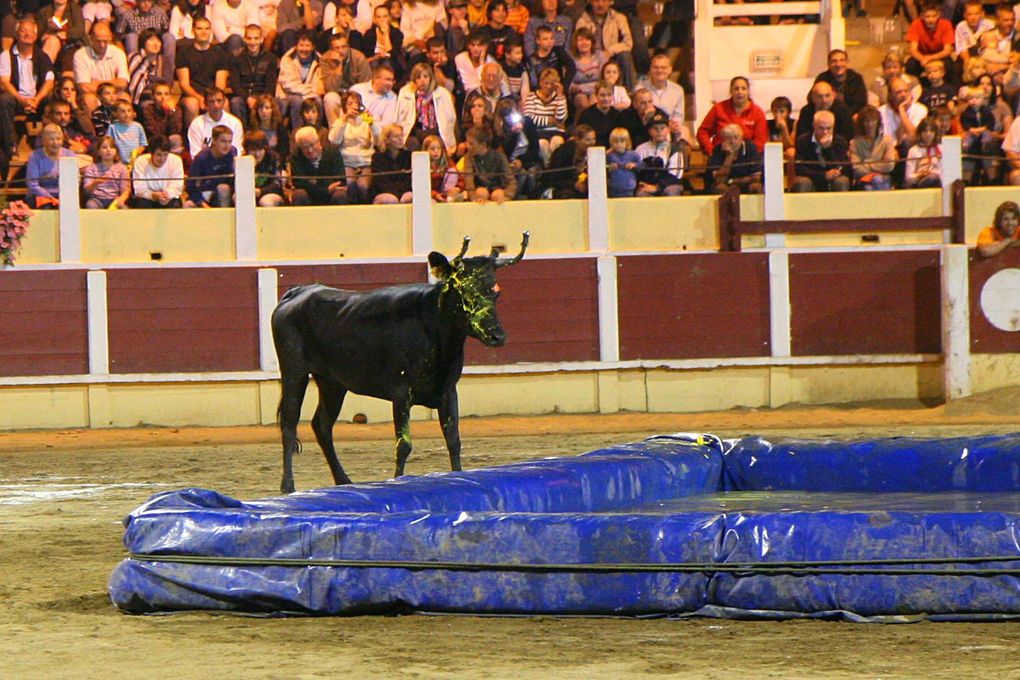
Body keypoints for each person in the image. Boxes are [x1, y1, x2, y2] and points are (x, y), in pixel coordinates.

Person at [0, 18, 54, 159]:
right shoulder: (6, 56)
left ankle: (51, 145)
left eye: (31, 32)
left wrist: (37, 99)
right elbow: (5, 82)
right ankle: (11, 147)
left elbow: (49, 80)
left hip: (36, 100)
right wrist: (22, 99)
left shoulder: (42, 56)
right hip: (17, 99)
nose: (27, 34)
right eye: (23, 31)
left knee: (50, 98)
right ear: (16, 34)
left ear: (36, 36)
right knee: (4, 99)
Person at [175, 16, 229, 125]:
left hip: (212, 94)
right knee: (192, 104)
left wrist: (211, 99)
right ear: (193, 30)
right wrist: (199, 98)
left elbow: (221, 84)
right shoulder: (183, 53)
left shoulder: (220, 53)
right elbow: (184, 84)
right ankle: (193, 140)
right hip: (191, 95)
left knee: (224, 103)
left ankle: (222, 138)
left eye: (206, 28)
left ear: (210, 30)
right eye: (199, 28)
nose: (203, 32)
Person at [695, 76, 767, 156]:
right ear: (731, 91)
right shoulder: (718, 108)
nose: (740, 92)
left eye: (743, 88)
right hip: (720, 156)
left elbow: (760, 141)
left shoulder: (757, 113)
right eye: (736, 89)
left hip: (746, 159)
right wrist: (711, 151)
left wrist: (748, 156)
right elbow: (702, 132)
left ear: (748, 91)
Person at [396, 61, 458, 154]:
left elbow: (450, 118)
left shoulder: (442, 93)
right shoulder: (406, 93)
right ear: (414, 80)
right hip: (416, 131)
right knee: (412, 144)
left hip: (436, 131)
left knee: (435, 143)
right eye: (419, 77)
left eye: (425, 76)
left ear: (430, 78)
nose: (422, 80)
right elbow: (401, 117)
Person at [574, 0, 634, 89]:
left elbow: (628, 42)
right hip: (592, 58)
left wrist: (610, 51)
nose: (600, 4)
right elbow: (579, 44)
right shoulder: (583, 21)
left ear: (610, 2)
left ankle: (629, 92)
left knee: (625, 56)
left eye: (604, 1)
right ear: (590, 2)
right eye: (596, 1)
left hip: (612, 56)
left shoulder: (619, 18)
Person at [228, 23, 279, 123]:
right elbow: (235, 84)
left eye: (256, 38)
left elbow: (271, 84)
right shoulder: (236, 58)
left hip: (263, 95)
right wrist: (248, 98)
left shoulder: (270, 58)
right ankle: (242, 133)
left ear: (261, 39)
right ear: (244, 39)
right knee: (235, 102)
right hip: (244, 96)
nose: (252, 42)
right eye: (249, 38)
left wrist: (260, 100)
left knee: (279, 104)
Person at [73, 21, 129, 111]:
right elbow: (84, 87)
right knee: (89, 99)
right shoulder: (81, 54)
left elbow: (122, 83)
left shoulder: (119, 53)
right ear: (91, 38)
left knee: (124, 97)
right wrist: (112, 84)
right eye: (98, 41)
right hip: (93, 95)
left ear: (110, 38)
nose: (102, 45)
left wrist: (97, 83)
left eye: (105, 41)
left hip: (113, 94)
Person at [291, 124, 353, 204]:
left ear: (319, 142)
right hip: (310, 195)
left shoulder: (333, 153)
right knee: (299, 194)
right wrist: (326, 189)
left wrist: (314, 182)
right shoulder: (296, 157)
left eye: (312, 145)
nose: (310, 150)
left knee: (340, 195)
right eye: (305, 147)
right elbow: (299, 183)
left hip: (330, 195)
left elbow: (340, 181)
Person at [791, 110, 851, 193]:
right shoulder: (803, 141)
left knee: (842, 181)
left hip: (833, 180)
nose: (825, 132)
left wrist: (827, 149)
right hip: (812, 178)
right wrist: (823, 175)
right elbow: (800, 168)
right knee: (802, 182)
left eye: (829, 128)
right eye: (821, 128)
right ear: (814, 126)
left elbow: (842, 167)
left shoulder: (840, 142)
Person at [320, 32, 372, 124]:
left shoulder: (359, 58)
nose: (341, 51)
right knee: (329, 98)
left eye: (343, 47)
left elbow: (366, 85)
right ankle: (335, 133)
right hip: (338, 95)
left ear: (348, 47)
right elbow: (330, 88)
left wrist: (352, 98)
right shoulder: (325, 60)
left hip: (356, 95)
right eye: (337, 48)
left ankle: (362, 129)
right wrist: (338, 66)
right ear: (331, 50)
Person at [276, 31, 323, 129]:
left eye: (307, 45)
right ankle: (297, 132)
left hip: (311, 94)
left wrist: (310, 92)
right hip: (287, 94)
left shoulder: (320, 60)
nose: (304, 49)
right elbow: (288, 84)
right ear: (296, 46)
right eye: (301, 45)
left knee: (317, 101)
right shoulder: (287, 59)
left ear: (313, 47)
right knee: (298, 101)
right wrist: (307, 91)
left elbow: (319, 84)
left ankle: (316, 131)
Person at [636, 53, 685, 144]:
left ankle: (676, 156)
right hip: (647, 128)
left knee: (684, 132)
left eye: (663, 67)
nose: (659, 70)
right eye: (656, 67)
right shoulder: (640, 88)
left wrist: (672, 125)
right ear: (650, 69)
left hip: (669, 129)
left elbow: (678, 116)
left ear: (670, 70)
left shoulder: (678, 90)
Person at [523, 66, 567, 164]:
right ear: (540, 83)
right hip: (538, 133)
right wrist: (550, 121)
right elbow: (529, 119)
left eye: (551, 83)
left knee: (557, 142)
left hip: (556, 132)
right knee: (542, 144)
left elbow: (561, 118)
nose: (548, 86)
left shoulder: (560, 98)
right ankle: (548, 168)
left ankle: (554, 167)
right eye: (545, 83)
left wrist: (560, 95)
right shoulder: (531, 97)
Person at [634, 110, 683, 197]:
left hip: (669, 184)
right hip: (647, 184)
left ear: (668, 130)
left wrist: (657, 187)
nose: (659, 131)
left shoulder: (674, 149)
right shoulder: (640, 149)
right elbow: (637, 171)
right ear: (649, 131)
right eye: (655, 128)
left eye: (662, 128)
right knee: (641, 194)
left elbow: (676, 175)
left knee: (671, 191)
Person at [26, 124, 76, 208]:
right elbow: (32, 184)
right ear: (44, 141)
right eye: (51, 139)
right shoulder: (35, 156)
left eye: (58, 139)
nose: (55, 143)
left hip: (64, 195)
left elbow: (75, 181)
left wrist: (63, 197)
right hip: (40, 195)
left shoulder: (70, 155)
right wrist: (51, 198)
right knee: (46, 206)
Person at [905, 1, 957, 83]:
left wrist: (930, 58)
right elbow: (913, 50)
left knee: (950, 66)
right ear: (922, 16)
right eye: (927, 17)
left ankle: (948, 88)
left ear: (939, 15)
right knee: (910, 65)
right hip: (922, 56)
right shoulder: (916, 24)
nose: (931, 20)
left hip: (940, 56)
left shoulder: (946, 24)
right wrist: (923, 58)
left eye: (934, 16)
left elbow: (947, 50)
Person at [185, 124, 236, 207]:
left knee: (223, 188)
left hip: (225, 193)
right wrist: (201, 203)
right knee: (188, 205)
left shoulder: (232, 153)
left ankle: (224, 218)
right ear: (214, 140)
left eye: (229, 142)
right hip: (205, 193)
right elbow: (191, 187)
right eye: (223, 141)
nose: (227, 146)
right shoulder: (201, 158)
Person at [705, 122, 763, 195]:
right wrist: (729, 156)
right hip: (727, 185)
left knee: (756, 187)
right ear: (723, 139)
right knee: (720, 188)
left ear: (742, 139)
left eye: (736, 137)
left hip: (745, 183)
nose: (732, 141)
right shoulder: (717, 150)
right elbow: (719, 180)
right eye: (728, 138)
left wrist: (731, 181)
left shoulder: (750, 148)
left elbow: (755, 178)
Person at [879, 76, 929, 159]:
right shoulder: (881, 111)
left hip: (912, 150)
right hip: (889, 151)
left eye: (905, 91)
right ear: (890, 95)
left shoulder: (920, 109)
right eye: (898, 92)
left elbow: (914, 135)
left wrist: (901, 110)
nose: (903, 95)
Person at [849, 105, 897, 190]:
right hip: (863, 179)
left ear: (878, 122)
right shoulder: (854, 143)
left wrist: (866, 163)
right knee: (871, 185)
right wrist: (880, 164)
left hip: (883, 178)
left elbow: (889, 165)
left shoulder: (887, 140)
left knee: (877, 182)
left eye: (873, 120)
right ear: (862, 123)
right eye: (866, 121)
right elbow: (856, 169)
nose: (870, 124)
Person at [463, 125, 516, 202]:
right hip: (480, 190)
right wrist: (473, 198)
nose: (467, 146)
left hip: (497, 189)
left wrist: (507, 195)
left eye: (471, 144)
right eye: (467, 142)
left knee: (498, 194)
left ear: (483, 145)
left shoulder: (499, 157)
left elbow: (511, 181)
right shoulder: (468, 157)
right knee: (481, 193)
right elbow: (469, 181)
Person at [187, 86, 244, 157]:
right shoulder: (197, 124)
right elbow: (195, 155)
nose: (216, 105)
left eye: (219, 100)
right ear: (205, 103)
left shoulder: (235, 123)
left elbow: (237, 152)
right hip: (205, 166)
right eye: (211, 101)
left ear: (224, 102)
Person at [131, 134, 185, 207]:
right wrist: (152, 195)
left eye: (165, 154)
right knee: (141, 204)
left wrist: (166, 195)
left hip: (168, 198)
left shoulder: (176, 161)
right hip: (148, 198)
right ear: (151, 154)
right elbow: (139, 188)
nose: (162, 159)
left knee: (175, 203)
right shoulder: (141, 161)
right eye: (159, 155)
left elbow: (177, 185)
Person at [543, 123, 595, 199]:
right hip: (562, 188)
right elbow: (553, 179)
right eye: (588, 140)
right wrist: (573, 184)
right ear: (577, 140)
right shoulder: (562, 152)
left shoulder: (595, 153)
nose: (592, 143)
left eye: (593, 139)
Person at [795, 80, 854, 144]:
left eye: (827, 95)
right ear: (813, 97)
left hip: (836, 146)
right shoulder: (806, 111)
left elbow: (847, 136)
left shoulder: (843, 111)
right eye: (819, 96)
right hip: (811, 146)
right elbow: (801, 135)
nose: (824, 100)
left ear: (833, 95)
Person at [814, 49, 868, 114]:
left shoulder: (856, 78)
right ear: (828, 64)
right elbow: (811, 98)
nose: (838, 64)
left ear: (847, 62)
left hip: (851, 115)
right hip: (827, 115)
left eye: (842, 60)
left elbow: (861, 103)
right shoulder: (822, 78)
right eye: (834, 61)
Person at [82, 134, 131, 208]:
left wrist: (122, 199)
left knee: (125, 209)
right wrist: (96, 183)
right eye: (104, 147)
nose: (108, 150)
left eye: (111, 147)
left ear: (116, 151)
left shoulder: (122, 168)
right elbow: (86, 191)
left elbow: (126, 190)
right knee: (91, 205)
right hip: (97, 199)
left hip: (115, 200)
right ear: (98, 152)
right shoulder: (91, 168)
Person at [369, 123, 412, 202]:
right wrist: (396, 194)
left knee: (409, 197)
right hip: (383, 192)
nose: (400, 139)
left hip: (403, 192)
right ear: (387, 140)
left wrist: (400, 194)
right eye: (396, 136)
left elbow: (408, 180)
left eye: (401, 136)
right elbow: (381, 181)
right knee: (391, 199)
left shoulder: (408, 156)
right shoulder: (378, 157)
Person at [140, 79, 185, 155]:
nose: (163, 97)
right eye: (159, 94)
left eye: (166, 94)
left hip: (171, 142)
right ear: (153, 96)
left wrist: (171, 112)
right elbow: (154, 131)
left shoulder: (175, 109)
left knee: (176, 138)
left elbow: (175, 131)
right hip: (154, 141)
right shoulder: (148, 109)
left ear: (170, 96)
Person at [567, 27, 605, 113]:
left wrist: (581, 88)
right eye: (580, 40)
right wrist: (579, 89)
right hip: (577, 94)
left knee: (595, 102)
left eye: (587, 39)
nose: (584, 43)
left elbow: (604, 80)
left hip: (597, 91)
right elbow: (569, 84)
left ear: (592, 42)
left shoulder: (600, 56)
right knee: (582, 102)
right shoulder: (570, 59)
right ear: (575, 43)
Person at [244, 129, 285, 206]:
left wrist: (260, 191)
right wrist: (251, 168)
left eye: (260, 149)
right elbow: (238, 186)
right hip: (248, 194)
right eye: (253, 150)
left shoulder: (274, 158)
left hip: (270, 194)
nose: (257, 154)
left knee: (266, 201)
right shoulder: (243, 160)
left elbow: (277, 185)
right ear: (247, 150)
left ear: (265, 148)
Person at [351, 63, 399, 128]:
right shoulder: (357, 89)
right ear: (375, 79)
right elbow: (350, 115)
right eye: (387, 79)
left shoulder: (392, 97)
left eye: (392, 80)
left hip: (374, 134)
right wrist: (375, 119)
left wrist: (369, 122)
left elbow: (387, 124)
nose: (390, 83)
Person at [577, 80, 625, 146]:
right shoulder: (586, 115)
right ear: (596, 95)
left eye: (609, 95)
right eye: (602, 95)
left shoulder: (617, 115)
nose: (606, 98)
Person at [127, 27, 167, 105]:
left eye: (158, 40)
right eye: (151, 40)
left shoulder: (164, 60)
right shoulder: (136, 58)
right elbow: (133, 84)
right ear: (143, 42)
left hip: (157, 98)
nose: (155, 43)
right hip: (136, 99)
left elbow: (167, 82)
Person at [422, 133, 463, 201]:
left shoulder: (447, 161)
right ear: (426, 150)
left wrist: (458, 188)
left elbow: (460, 180)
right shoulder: (422, 164)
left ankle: (448, 198)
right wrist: (435, 195)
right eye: (432, 149)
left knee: (452, 171)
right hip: (430, 194)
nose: (436, 151)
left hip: (445, 192)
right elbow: (422, 186)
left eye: (438, 148)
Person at [903, 117, 942, 188]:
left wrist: (932, 173)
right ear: (920, 133)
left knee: (934, 178)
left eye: (931, 131)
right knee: (931, 179)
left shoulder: (941, 149)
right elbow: (908, 177)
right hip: (919, 183)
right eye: (925, 131)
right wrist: (920, 174)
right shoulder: (913, 150)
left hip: (938, 181)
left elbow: (945, 172)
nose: (928, 134)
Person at [108, 99, 148, 163]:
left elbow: (143, 143)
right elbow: (109, 143)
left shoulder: (138, 126)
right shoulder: (113, 127)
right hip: (119, 161)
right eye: (123, 111)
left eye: (129, 111)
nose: (126, 114)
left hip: (135, 160)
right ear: (116, 113)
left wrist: (138, 151)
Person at [606, 126, 638, 197]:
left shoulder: (633, 154)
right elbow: (603, 168)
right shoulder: (609, 156)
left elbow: (642, 165)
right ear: (611, 143)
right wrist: (609, 167)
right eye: (616, 142)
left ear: (627, 142)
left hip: (629, 188)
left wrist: (634, 165)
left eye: (622, 141)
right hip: (614, 188)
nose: (619, 144)